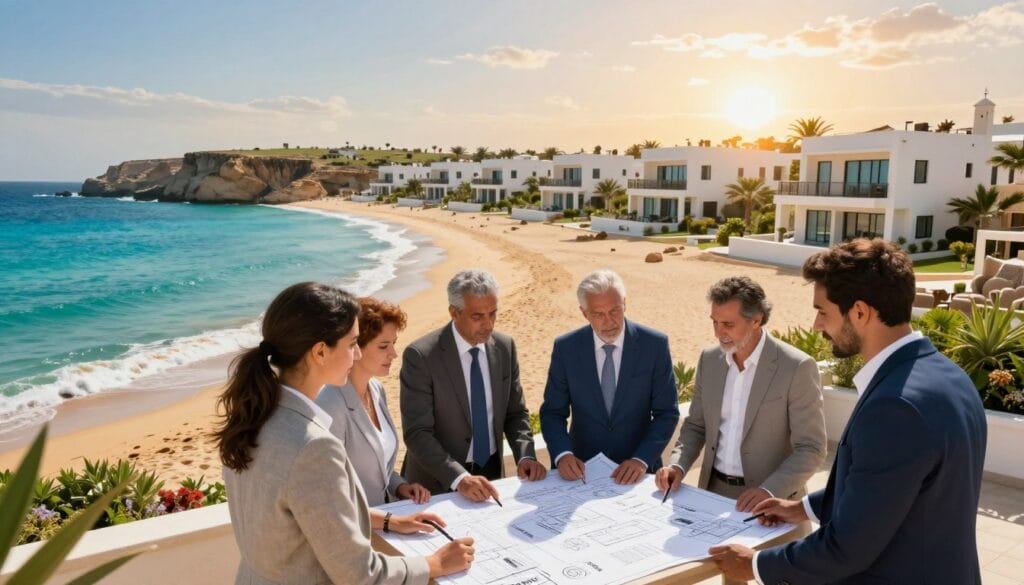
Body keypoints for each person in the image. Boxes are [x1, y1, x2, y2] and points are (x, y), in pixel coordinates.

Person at [710, 239, 987, 584]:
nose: (815, 325)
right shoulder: (949, 376)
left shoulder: (894, 407)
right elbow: (886, 490)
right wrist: (802, 508)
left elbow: (845, 550)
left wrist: (755, 565)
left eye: (823, 311)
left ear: (860, 312)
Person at [214, 282, 473, 584]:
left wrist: (392, 520)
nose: (355, 355)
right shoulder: (313, 447)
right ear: (320, 352)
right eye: (352, 344)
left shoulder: (253, 416)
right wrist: (435, 564)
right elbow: (359, 574)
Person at [656, 277, 826, 585]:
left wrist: (769, 491)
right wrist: (678, 464)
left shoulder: (797, 367)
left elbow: (811, 449)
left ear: (757, 319)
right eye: (715, 322)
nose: (719, 332)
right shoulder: (709, 360)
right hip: (714, 496)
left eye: (728, 324)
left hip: (773, 508)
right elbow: (695, 425)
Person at [400, 269, 546, 502]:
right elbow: (417, 433)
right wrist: (460, 479)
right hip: (437, 484)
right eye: (477, 317)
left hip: (491, 474)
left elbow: (515, 412)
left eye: (493, 314)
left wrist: (525, 456)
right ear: (453, 313)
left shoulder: (505, 347)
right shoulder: (421, 356)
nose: (488, 325)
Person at [540, 269, 679, 485]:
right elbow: (552, 412)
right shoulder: (566, 348)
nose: (609, 321)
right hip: (581, 472)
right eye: (598, 314)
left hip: (639, 474)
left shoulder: (655, 345)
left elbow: (666, 413)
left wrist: (641, 459)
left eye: (615, 310)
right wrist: (562, 455)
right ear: (584, 313)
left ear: (625, 303)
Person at [317, 297, 430, 507]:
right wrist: (388, 522)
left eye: (393, 344)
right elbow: (331, 492)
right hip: (358, 529)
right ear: (355, 347)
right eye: (383, 346)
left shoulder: (376, 390)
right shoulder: (330, 404)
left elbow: (379, 466)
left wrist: (399, 486)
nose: (394, 354)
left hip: (387, 515)